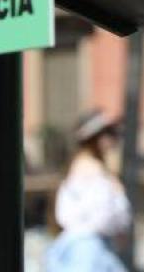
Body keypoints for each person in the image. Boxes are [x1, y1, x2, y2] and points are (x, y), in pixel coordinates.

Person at [47, 109, 131, 272]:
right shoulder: (90, 169)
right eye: (108, 133)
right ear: (94, 138)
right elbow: (103, 216)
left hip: (96, 251)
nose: (114, 139)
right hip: (88, 253)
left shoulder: (95, 168)